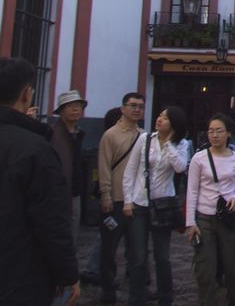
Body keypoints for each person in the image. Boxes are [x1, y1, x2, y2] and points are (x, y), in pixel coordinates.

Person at [0, 57, 79, 305]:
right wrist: (68, 274)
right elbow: (52, 221)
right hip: (21, 278)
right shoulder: (36, 149)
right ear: (26, 95)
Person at [122, 106, 191, 306]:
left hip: (163, 205)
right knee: (138, 256)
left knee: (162, 257)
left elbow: (180, 167)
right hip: (140, 203)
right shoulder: (145, 139)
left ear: (174, 124)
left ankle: (165, 297)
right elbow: (130, 170)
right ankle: (136, 297)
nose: (159, 119)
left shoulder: (182, 144)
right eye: (160, 116)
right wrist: (127, 200)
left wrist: (168, 143)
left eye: (165, 118)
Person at [185, 113, 235, 305]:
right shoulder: (199, 158)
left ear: (228, 133)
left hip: (227, 218)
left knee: (232, 261)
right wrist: (190, 222)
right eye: (211, 131)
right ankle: (207, 300)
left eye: (219, 131)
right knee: (206, 265)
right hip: (204, 217)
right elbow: (192, 190)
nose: (214, 135)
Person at [98, 92, 145, 304]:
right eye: (133, 105)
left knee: (137, 251)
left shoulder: (144, 136)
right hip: (115, 198)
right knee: (109, 249)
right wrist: (105, 194)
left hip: (136, 201)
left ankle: (137, 291)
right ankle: (108, 289)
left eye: (140, 106)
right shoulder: (110, 135)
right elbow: (104, 166)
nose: (137, 109)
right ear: (123, 108)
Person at [80, 107, 123, 287]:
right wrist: (106, 194)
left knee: (112, 235)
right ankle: (96, 271)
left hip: (121, 195)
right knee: (108, 235)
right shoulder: (111, 140)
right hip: (114, 196)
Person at [50, 90, 87, 248]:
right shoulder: (52, 134)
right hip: (57, 193)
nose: (75, 109)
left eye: (78, 105)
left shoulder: (78, 133)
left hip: (75, 191)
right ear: (61, 111)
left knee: (72, 235)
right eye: (70, 106)